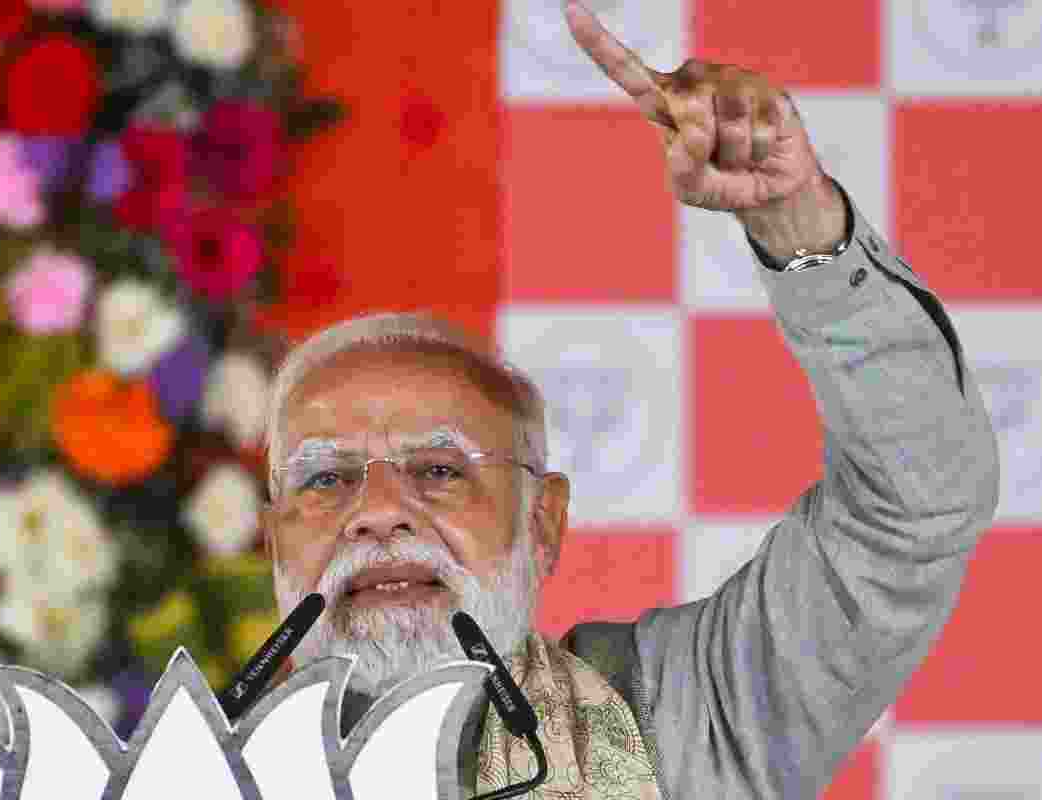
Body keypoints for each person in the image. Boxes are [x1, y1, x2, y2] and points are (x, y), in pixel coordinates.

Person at [259, 2, 1001, 798]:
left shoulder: (678, 719)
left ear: (542, 521)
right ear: (272, 538)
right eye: (327, 478)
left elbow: (913, 507)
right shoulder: (182, 770)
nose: (377, 511)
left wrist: (796, 223)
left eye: (438, 469)